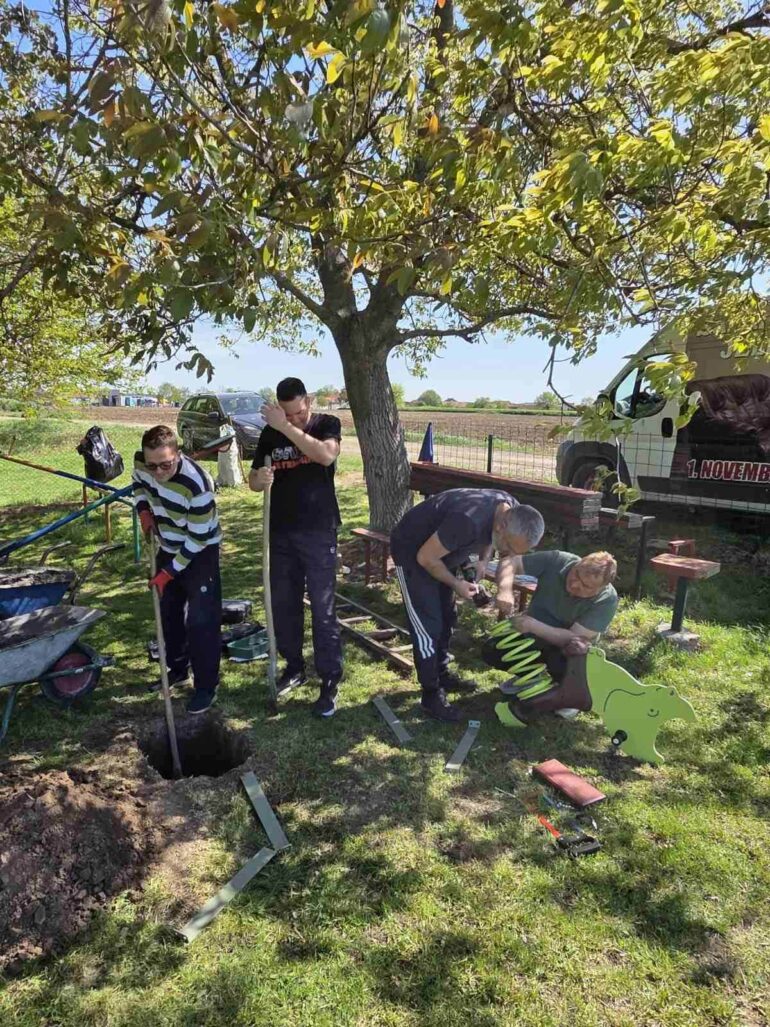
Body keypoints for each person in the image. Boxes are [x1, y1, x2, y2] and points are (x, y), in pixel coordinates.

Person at [390, 489, 545, 722]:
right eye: (510, 548)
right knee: (427, 624)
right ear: (502, 528)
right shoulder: (467, 521)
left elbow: (495, 544)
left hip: (443, 549)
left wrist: (483, 562)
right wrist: (456, 583)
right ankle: (431, 695)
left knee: (447, 616)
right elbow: (426, 558)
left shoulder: (511, 508)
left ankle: (441, 674)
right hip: (413, 551)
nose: (511, 555)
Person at [248, 378, 343, 718]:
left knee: (322, 607)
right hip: (281, 532)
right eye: (287, 415)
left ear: (309, 402)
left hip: (319, 531)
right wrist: (262, 478)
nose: (295, 419)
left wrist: (285, 428)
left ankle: (329, 679)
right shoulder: (270, 434)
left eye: (299, 413)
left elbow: (325, 456)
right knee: (284, 603)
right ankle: (294, 666)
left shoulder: (326, 425)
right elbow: (253, 481)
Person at [133, 425, 223, 714]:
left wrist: (169, 572)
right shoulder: (143, 465)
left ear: (178, 453)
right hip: (169, 546)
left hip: (200, 552)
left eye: (165, 465)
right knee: (168, 614)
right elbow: (137, 482)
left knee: (200, 621)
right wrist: (143, 510)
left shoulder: (197, 485)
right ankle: (177, 670)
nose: (158, 472)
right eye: (152, 466)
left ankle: (206, 686)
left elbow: (197, 539)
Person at [486, 550, 619, 715]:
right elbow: (509, 562)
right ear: (577, 564)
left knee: (568, 654)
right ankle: (530, 678)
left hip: (567, 650)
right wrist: (505, 590)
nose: (575, 584)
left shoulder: (607, 600)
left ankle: (569, 694)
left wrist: (534, 626)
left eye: (586, 586)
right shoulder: (557, 560)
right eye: (576, 574)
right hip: (531, 636)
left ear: (601, 588)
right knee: (493, 649)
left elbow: (573, 637)